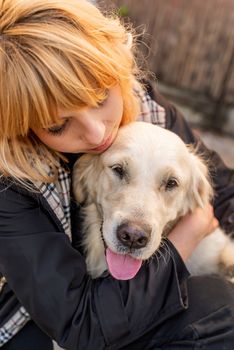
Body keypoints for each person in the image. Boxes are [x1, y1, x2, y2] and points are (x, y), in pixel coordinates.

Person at [0, 0, 234, 349]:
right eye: (58, 124)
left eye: (98, 98)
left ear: (115, 72)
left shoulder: (146, 107)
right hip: (47, 325)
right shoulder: (11, 188)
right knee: (217, 309)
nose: (96, 134)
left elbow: (225, 190)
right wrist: (188, 234)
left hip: (125, 306)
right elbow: (82, 326)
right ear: (21, 127)